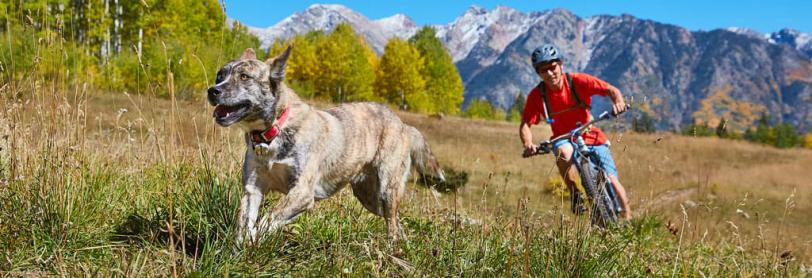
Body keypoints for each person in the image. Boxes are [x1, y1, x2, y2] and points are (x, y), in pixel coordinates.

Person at [519, 44, 631, 220]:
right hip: (564, 139)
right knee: (563, 151)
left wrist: (618, 102)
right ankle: (575, 194)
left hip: (592, 135)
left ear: (561, 65)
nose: (549, 73)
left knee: (613, 182)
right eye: (543, 70)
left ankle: (627, 220)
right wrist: (528, 144)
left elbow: (610, 89)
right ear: (538, 73)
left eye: (552, 67)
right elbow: (526, 123)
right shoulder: (537, 95)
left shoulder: (577, 81)